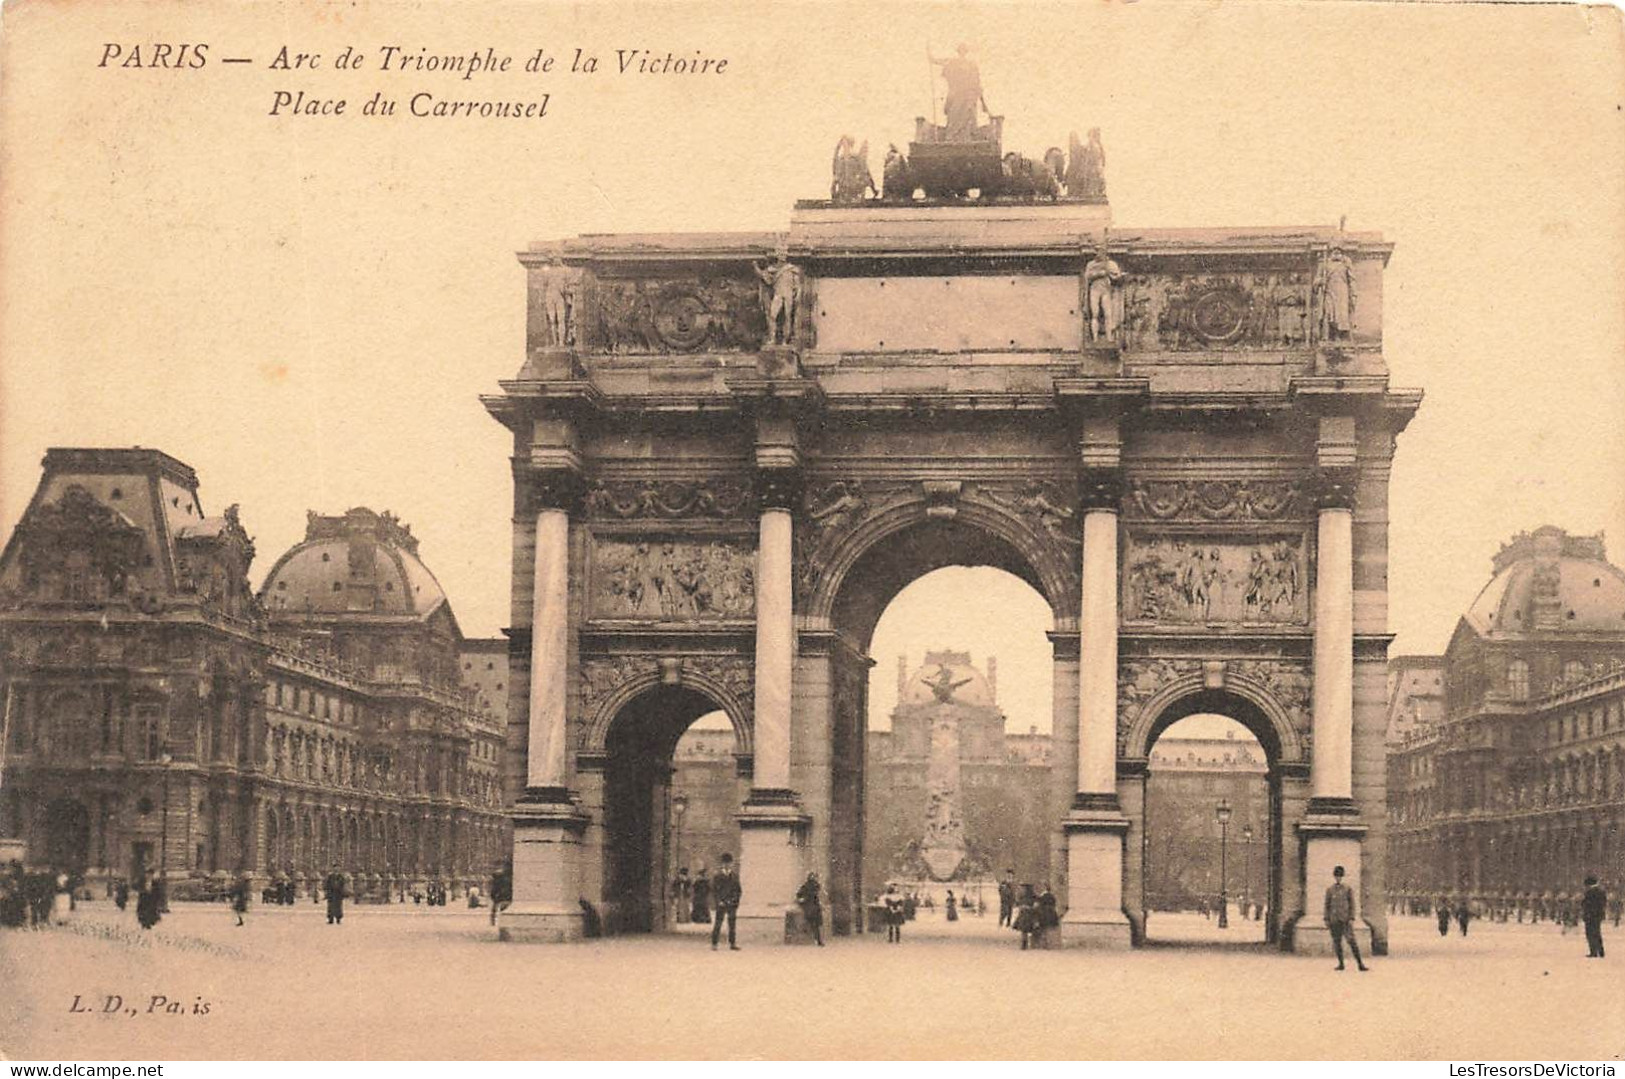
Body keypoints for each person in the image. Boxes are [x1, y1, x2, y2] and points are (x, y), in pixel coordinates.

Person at [1324, 866, 1368, 972]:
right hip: (1334, 919)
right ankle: (1341, 964)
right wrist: (1326, 919)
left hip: (1345, 920)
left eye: (1340, 876)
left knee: (1352, 942)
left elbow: (1352, 904)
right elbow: (1327, 905)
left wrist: (1352, 917)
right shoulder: (1330, 890)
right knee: (1337, 942)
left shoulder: (1347, 889)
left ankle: (1360, 964)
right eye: (1336, 876)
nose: (1338, 878)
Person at [710, 853, 742, 951]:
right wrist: (719, 901)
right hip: (722, 903)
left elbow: (738, 890)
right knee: (718, 923)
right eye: (725, 863)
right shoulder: (717, 876)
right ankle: (714, 943)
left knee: (732, 924)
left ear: (731, 864)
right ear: (722, 864)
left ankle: (732, 943)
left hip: (732, 903)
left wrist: (735, 900)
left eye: (729, 863)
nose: (727, 865)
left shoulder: (735, 876)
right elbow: (715, 890)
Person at [796, 872, 825, 946]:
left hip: (810, 908)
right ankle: (817, 940)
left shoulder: (806, 886)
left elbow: (799, 895)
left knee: (812, 925)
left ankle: (815, 939)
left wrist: (802, 901)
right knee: (815, 925)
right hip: (813, 908)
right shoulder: (814, 887)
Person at [1581, 876, 1607, 959]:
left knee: (1590, 934)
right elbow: (1603, 903)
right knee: (1597, 933)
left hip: (1590, 915)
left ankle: (1593, 951)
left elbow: (1586, 904)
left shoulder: (1590, 892)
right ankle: (1600, 951)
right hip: (1597, 916)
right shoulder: (1601, 891)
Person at [1014, 884, 1039, 950]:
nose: (1023, 890)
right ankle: (1025, 943)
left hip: (1028, 915)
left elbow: (1035, 907)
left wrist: (1026, 907)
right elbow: (1018, 904)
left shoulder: (1033, 898)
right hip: (1025, 915)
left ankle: (1025, 944)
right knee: (1024, 931)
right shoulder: (1024, 897)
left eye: (1024, 889)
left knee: (1025, 930)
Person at [489, 861, 513, 927]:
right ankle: (497, 922)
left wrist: (493, 895)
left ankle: (494, 922)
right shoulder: (511, 876)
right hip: (507, 896)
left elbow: (495, 888)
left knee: (496, 909)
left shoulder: (499, 876)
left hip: (500, 897)